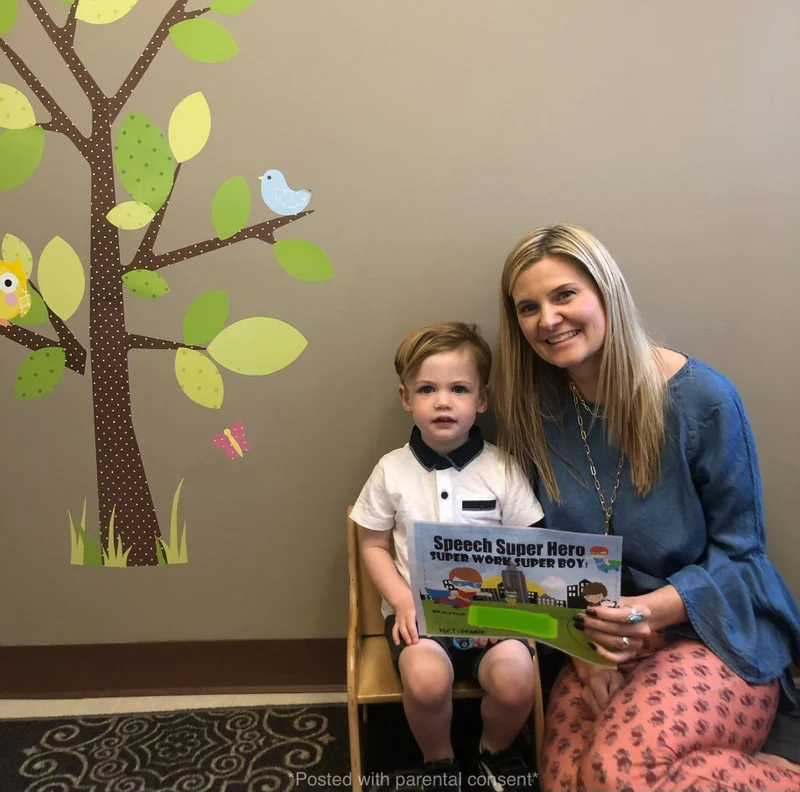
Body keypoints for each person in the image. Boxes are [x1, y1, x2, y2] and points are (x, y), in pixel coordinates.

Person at [494, 223, 800, 792]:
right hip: (597, 640)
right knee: (565, 781)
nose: (548, 319)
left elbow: (744, 558)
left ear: (606, 292)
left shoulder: (703, 399)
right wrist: (584, 656)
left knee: (617, 773)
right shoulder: (535, 414)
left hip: (713, 632)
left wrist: (646, 613)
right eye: (528, 307)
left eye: (564, 295)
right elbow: (540, 557)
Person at [351, 322, 544, 791]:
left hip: (493, 618)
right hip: (419, 621)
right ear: (405, 397)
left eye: (458, 389)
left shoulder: (501, 468)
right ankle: (437, 760)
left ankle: (494, 752)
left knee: (518, 679)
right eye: (427, 389)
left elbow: (530, 546)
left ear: (482, 399)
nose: (442, 401)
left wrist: (505, 612)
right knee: (424, 681)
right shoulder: (391, 471)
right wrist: (400, 601)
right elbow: (372, 544)